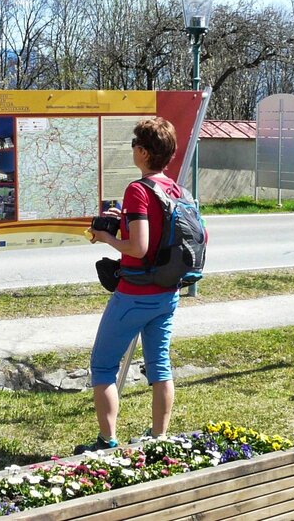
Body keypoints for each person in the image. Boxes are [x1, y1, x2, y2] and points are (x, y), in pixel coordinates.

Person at [76, 116, 183, 453]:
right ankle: (158, 438)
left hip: (135, 295)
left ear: (142, 152)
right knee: (159, 364)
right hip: (167, 292)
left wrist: (107, 236)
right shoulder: (175, 190)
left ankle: (107, 442)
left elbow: (138, 247)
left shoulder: (138, 189)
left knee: (103, 365)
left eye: (135, 145)